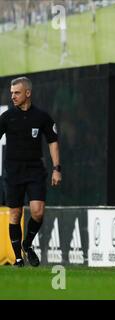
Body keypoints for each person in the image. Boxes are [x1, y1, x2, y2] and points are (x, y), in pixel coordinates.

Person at [1, 77, 62, 267]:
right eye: (11, 93)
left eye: (17, 92)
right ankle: (18, 258)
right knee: (15, 214)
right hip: (13, 171)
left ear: (28, 93)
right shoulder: (7, 117)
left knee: (37, 212)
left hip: (35, 170)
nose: (13, 96)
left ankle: (27, 244)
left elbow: (53, 141)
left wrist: (56, 168)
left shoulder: (42, 117)